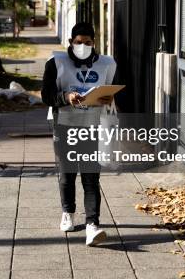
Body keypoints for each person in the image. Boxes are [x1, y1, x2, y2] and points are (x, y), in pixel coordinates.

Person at [41, 22, 117, 246]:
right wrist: (66, 97)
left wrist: (108, 98)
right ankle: (68, 213)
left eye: (87, 42)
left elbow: (112, 90)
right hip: (64, 124)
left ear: (94, 43)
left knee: (91, 177)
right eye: (78, 42)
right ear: (71, 43)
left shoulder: (106, 64)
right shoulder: (56, 62)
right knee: (68, 174)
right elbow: (46, 94)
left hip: (93, 125)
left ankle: (92, 225)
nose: (83, 46)